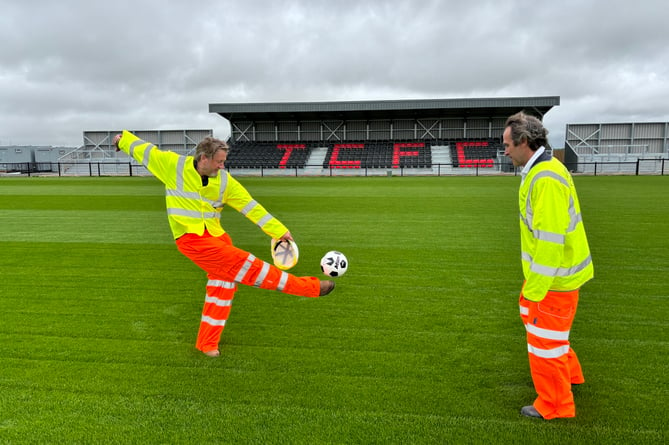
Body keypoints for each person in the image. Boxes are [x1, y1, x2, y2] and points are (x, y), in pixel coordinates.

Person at [112, 131, 335, 357]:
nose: (222, 166)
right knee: (247, 264)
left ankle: (207, 344)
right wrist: (123, 141)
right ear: (204, 159)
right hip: (190, 240)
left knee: (223, 288)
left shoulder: (226, 181)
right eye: (219, 162)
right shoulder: (172, 165)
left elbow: (250, 207)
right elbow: (145, 150)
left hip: (218, 238)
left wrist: (279, 231)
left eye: (223, 162)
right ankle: (309, 288)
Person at [502, 112, 594, 419]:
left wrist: (535, 291)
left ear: (524, 142)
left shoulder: (545, 179)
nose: (505, 151)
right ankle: (572, 376)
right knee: (556, 338)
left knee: (545, 344)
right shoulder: (546, 169)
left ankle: (556, 405)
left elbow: (550, 242)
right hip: (559, 277)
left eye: (507, 144)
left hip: (553, 282)